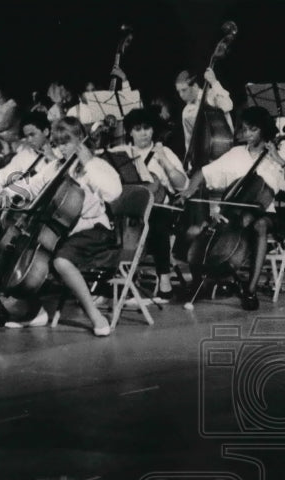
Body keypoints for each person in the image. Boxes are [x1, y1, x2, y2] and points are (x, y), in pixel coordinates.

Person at [0, 117, 122, 337]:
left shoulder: (98, 165)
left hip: (94, 230)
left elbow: (113, 192)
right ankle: (35, 311)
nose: (62, 148)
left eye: (67, 142)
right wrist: (4, 194)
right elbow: (34, 186)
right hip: (64, 231)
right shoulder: (55, 167)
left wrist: (89, 163)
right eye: (57, 143)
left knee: (61, 261)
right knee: (22, 255)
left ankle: (95, 316)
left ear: (80, 141)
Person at [176, 106, 285, 310]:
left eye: (253, 129)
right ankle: (199, 281)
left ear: (264, 130)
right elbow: (203, 172)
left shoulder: (278, 155)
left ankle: (251, 290)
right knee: (193, 231)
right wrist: (188, 191)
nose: (248, 134)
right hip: (232, 212)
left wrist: (279, 160)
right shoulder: (236, 153)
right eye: (245, 129)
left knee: (260, 225)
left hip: (266, 213)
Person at [106, 107, 188, 300]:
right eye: (138, 129)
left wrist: (165, 161)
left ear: (153, 130)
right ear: (129, 132)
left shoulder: (164, 151)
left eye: (147, 128)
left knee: (157, 224)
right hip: (128, 209)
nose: (143, 133)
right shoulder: (120, 153)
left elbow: (183, 185)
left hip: (159, 209)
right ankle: (116, 277)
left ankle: (165, 281)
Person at [175, 68, 233, 166]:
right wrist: (190, 164)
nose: (181, 95)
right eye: (179, 91)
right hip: (203, 159)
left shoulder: (211, 95)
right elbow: (189, 141)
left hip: (225, 152)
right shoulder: (186, 112)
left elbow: (228, 105)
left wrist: (214, 82)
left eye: (184, 90)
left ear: (195, 86)